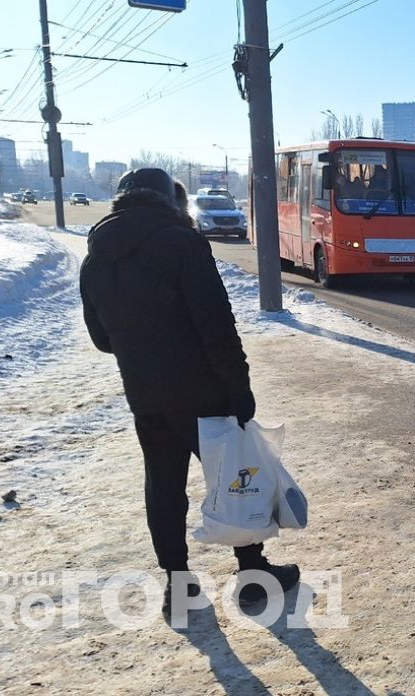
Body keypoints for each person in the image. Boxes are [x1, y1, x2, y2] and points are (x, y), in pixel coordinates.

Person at [79, 167, 298, 616]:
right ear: (169, 201)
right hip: (204, 392)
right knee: (236, 479)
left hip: (145, 395)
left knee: (162, 486)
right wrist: (239, 388)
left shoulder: (96, 258)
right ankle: (253, 577)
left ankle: (178, 587)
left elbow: (101, 339)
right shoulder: (182, 243)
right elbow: (216, 324)